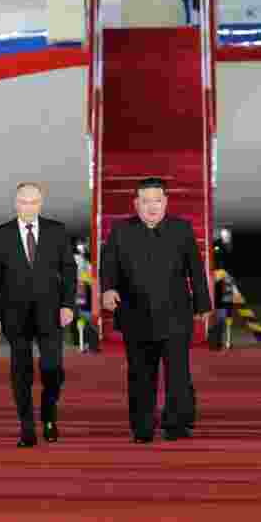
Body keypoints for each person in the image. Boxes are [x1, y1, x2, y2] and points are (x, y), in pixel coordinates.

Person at [100, 177, 212, 442]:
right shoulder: (120, 230)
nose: (152, 207)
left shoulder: (181, 229)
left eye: (158, 201)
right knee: (140, 374)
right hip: (135, 314)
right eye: (146, 201)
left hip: (175, 315)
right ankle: (142, 428)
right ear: (136, 204)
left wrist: (203, 304)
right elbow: (109, 266)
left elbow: (196, 270)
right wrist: (108, 289)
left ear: (166, 203)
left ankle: (177, 424)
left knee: (178, 374)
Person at [0, 182, 76, 447]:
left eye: (34, 202)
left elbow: (69, 270)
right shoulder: (0, 235)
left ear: (41, 203)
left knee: (53, 369)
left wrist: (68, 305)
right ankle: (26, 427)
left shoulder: (56, 231)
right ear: (16, 203)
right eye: (24, 202)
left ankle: (49, 415)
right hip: (15, 315)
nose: (29, 207)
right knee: (21, 372)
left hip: (51, 314)